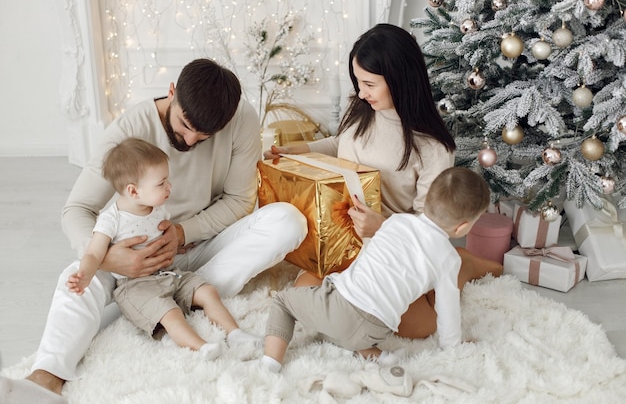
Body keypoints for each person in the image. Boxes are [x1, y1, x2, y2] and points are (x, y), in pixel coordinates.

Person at [3, 58, 307, 403]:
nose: (190, 140)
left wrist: (182, 232)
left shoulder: (242, 119)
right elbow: (77, 209)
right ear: (171, 92)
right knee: (75, 277)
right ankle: (47, 377)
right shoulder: (132, 127)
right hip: (131, 259)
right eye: (185, 125)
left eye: (204, 136)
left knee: (287, 221)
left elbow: (239, 200)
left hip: (198, 248)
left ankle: (165, 301)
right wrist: (109, 259)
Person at [264, 23, 502, 340]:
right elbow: (341, 144)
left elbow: (429, 222)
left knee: (420, 328)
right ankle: (455, 264)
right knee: (306, 290)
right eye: (358, 82)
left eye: (369, 84)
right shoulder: (361, 107)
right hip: (344, 239)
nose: (361, 92)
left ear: (400, 80)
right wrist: (300, 150)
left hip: (393, 247)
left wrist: (381, 227)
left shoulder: (432, 147)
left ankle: (461, 265)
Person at [260, 167, 491, 373]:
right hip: (378, 328)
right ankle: (372, 353)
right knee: (341, 326)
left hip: (343, 305)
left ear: (428, 199)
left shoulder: (396, 221)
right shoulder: (449, 258)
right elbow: (447, 308)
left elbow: (369, 256)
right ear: (462, 228)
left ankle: (270, 364)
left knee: (283, 301)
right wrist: (452, 345)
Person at [67, 138, 261, 359]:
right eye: (161, 183)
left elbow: (163, 234)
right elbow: (94, 253)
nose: (169, 187)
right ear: (133, 191)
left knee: (208, 291)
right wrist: (84, 274)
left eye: (167, 180)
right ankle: (201, 347)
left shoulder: (156, 208)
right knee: (171, 313)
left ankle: (235, 333)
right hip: (136, 286)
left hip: (170, 274)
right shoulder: (111, 220)